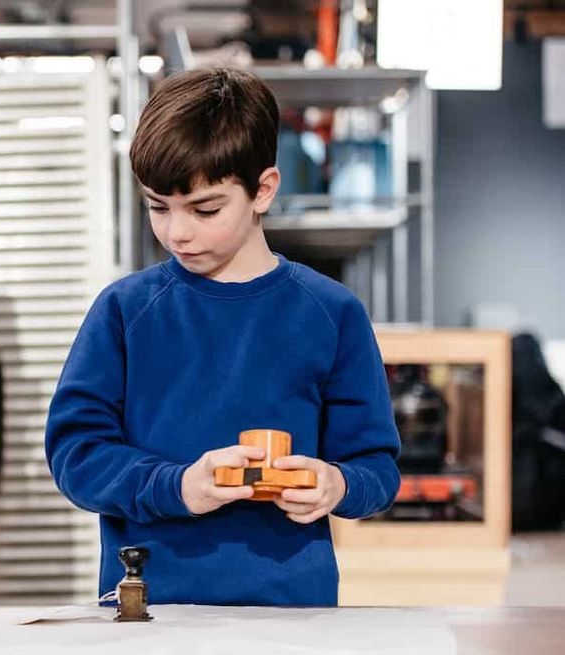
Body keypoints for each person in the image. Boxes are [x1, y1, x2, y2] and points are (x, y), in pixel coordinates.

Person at [44, 68, 400, 606]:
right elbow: (76, 454)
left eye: (205, 208)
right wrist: (179, 485)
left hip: (294, 617)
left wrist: (337, 485)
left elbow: (377, 467)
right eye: (157, 206)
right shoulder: (124, 312)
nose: (177, 232)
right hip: (150, 612)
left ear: (263, 190)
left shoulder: (333, 314)